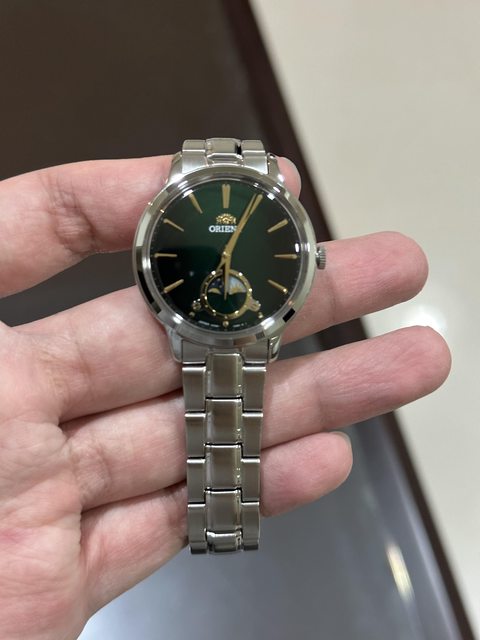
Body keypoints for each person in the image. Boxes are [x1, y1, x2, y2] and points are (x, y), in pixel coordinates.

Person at [0, 155, 451, 639]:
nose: (226, 261)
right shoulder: (178, 245)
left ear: (310, 259)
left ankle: (223, 526)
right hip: (194, 321)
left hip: (241, 323)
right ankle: (220, 526)